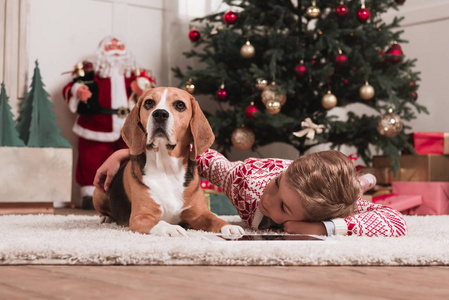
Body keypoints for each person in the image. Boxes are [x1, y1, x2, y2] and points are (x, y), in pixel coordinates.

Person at [94, 148, 408, 237]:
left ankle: (360, 181)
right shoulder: (247, 183)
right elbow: (203, 157)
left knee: (354, 192)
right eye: (276, 187)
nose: (267, 200)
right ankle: (359, 179)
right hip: (261, 167)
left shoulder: (330, 209)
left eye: (283, 208)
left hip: (331, 198)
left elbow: (395, 222)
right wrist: (126, 154)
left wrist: (322, 227)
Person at [63, 36, 155, 209]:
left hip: (128, 125)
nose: (115, 49)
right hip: (97, 124)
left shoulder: (134, 76)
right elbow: (70, 87)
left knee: (130, 157)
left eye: (119, 46)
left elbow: (154, 94)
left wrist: (142, 90)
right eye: (110, 46)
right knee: (91, 157)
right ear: (101, 51)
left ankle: (128, 192)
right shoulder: (92, 74)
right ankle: (90, 194)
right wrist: (78, 91)